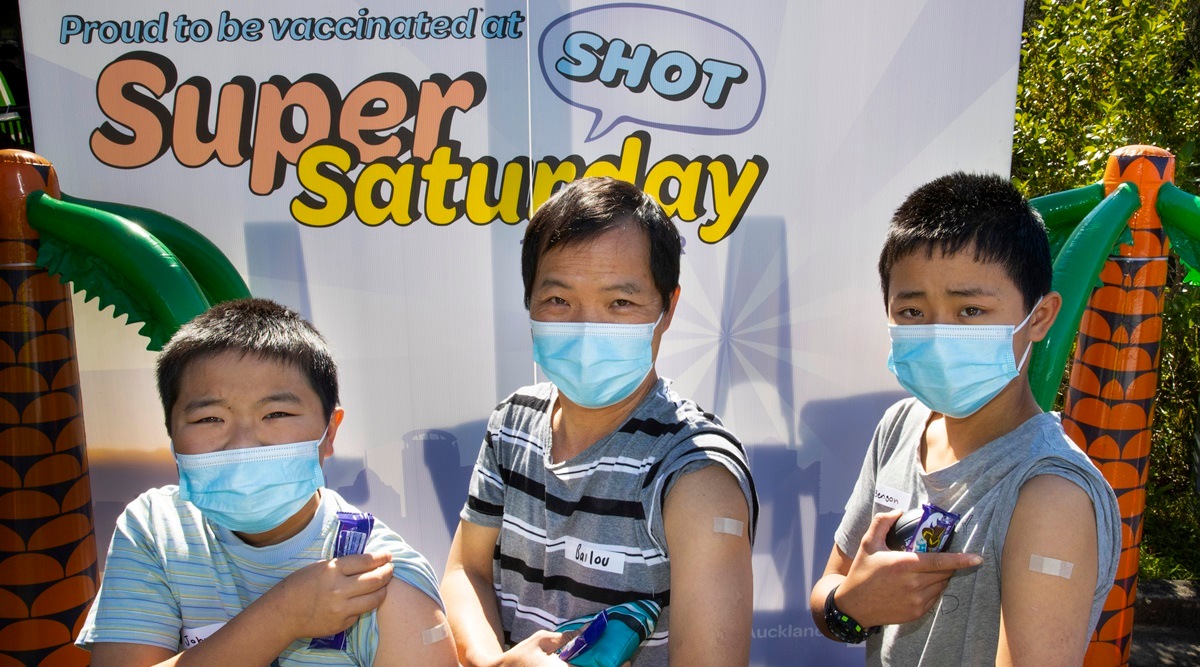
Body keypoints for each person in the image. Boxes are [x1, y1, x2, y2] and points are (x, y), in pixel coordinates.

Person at [441, 177, 758, 667]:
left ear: (667, 309)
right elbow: (465, 570)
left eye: (620, 303)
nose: (587, 326)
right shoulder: (512, 422)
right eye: (559, 300)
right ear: (529, 304)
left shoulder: (696, 475)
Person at [809, 173, 1121, 665]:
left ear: (1039, 318)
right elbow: (829, 594)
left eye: (970, 309)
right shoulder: (901, 425)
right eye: (912, 312)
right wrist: (851, 605)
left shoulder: (1049, 496)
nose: (937, 334)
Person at [76, 298, 457, 667]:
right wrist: (284, 613)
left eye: (276, 413)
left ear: (329, 432)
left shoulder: (379, 579)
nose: (243, 444)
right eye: (209, 418)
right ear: (171, 434)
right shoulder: (156, 529)